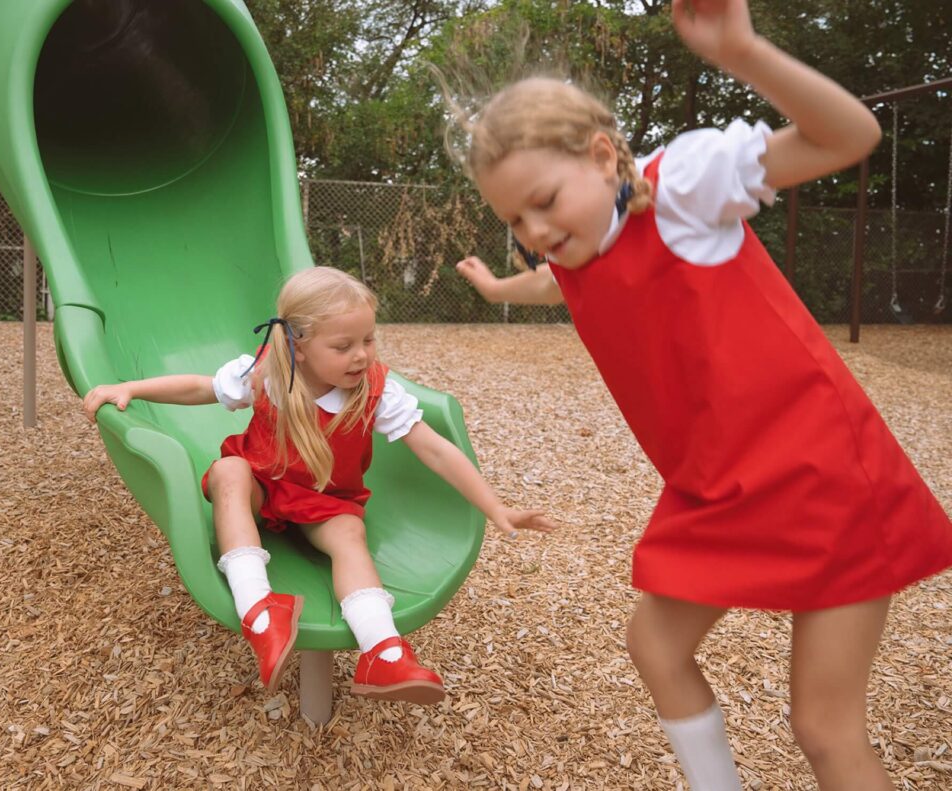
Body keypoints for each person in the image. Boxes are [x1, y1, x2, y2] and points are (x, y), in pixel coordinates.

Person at [446, 1, 952, 788]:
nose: (535, 228)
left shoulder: (681, 185)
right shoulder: (578, 251)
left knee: (824, 729)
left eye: (544, 201)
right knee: (655, 644)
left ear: (604, 156)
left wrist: (742, 51)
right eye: (515, 218)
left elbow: (850, 137)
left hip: (823, 478)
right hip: (723, 487)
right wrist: (494, 287)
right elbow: (554, 282)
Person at [84, 266, 554, 704]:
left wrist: (496, 508)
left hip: (326, 501)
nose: (362, 355)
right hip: (263, 487)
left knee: (351, 535)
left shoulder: (375, 389)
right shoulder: (268, 373)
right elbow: (201, 388)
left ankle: (383, 653)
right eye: (344, 345)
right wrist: (131, 389)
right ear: (300, 345)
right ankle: (261, 612)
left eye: (369, 339)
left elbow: (433, 447)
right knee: (229, 471)